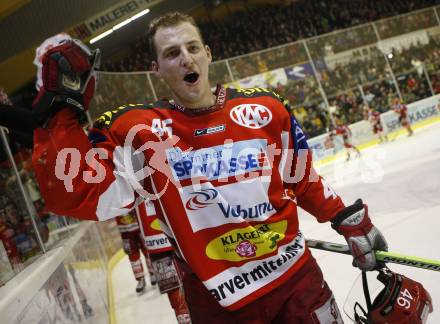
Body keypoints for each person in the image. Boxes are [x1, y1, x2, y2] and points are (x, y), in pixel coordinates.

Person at [31, 13, 388, 323]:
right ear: (155, 69)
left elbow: (303, 178)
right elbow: (77, 195)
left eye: (192, 48)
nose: (186, 59)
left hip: (297, 283)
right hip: (217, 305)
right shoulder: (137, 132)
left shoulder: (265, 110)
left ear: (208, 54)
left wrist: (346, 218)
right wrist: (60, 111)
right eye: (172, 53)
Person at [115, 210, 154, 293]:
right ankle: (140, 279)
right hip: (125, 231)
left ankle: (153, 273)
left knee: (147, 250)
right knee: (133, 256)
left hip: (140, 226)